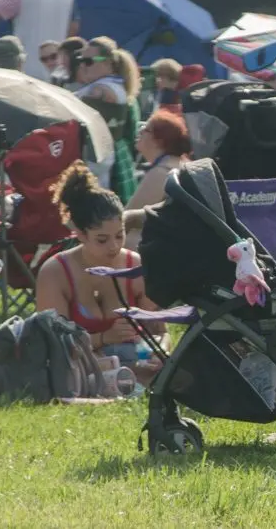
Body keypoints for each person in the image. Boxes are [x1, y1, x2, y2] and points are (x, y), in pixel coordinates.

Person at [35, 161, 164, 385]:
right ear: (80, 235)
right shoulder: (56, 273)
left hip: (134, 361)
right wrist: (104, 338)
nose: (114, 246)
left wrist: (158, 351)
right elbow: (55, 345)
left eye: (120, 235)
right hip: (81, 366)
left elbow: (160, 331)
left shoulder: (135, 267)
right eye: (102, 240)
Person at [75, 36, 141, 202]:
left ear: (107, 63)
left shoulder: (101, 90)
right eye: (81, 60)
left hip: (95, 160)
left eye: (88, 61)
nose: (82, 65)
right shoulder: (114, 86)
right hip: (102, 157)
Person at [124, 110, 191, 250]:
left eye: (146, 129)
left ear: (159, 141)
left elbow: (127, 219)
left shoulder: (161, 172)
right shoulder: (180, 163)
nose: (140, 131)